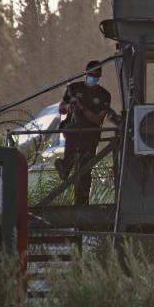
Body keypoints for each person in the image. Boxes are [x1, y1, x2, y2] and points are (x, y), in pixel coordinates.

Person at [57, 60, 111, 205]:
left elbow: (98, 119)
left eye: (96, 76)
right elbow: (61, 108)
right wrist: (70, 107)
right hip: (73, 131)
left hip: (90, 135)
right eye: (90, 75)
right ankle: (65, 165)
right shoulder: (73, 88)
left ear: (99, 76)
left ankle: (82, 204)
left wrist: (82, 108)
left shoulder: (104, 95)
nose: (93, 78)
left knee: (85, 171)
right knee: (70, 161)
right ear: (86, 74)